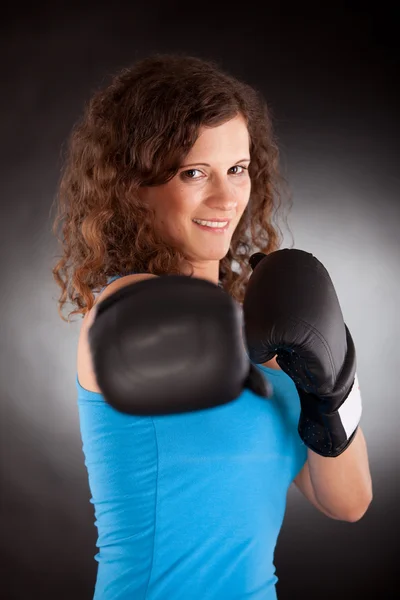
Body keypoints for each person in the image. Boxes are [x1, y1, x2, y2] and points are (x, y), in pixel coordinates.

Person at [52, 53, 372, 599]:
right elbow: (165, 322)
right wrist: (291, 332)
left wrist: (332, 384)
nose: (226, 199)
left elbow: (348, 502)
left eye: (238, 169)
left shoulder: (272, 331)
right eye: (193, 173)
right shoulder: (123, 312)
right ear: (135, 186)